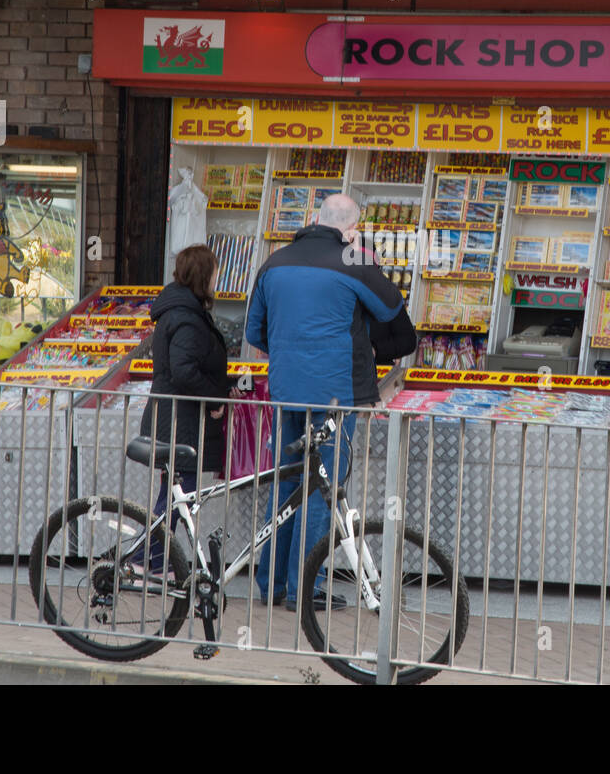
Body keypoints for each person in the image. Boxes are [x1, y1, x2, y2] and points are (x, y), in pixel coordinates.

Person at [245, 193, 406, 611]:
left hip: (286, 393)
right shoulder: (354, 261)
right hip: (336, 396)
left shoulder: (274, 262)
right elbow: (393, 310)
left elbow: (254, 331)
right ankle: (304, 588)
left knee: (287, 482)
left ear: (316, 219)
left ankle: (271, 584)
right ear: (351, 228)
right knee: (323, 489)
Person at [134, 244, 233, 569]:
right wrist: (214, 399)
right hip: (182, 422)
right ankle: (147, 557)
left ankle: (155, 557)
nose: (217, 279)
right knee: (179, 497)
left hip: (173, 418)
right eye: (215, 273)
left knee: (174, 496)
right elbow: (184, 370)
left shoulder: (179, 311)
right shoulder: (187, 319)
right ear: (204, 276)